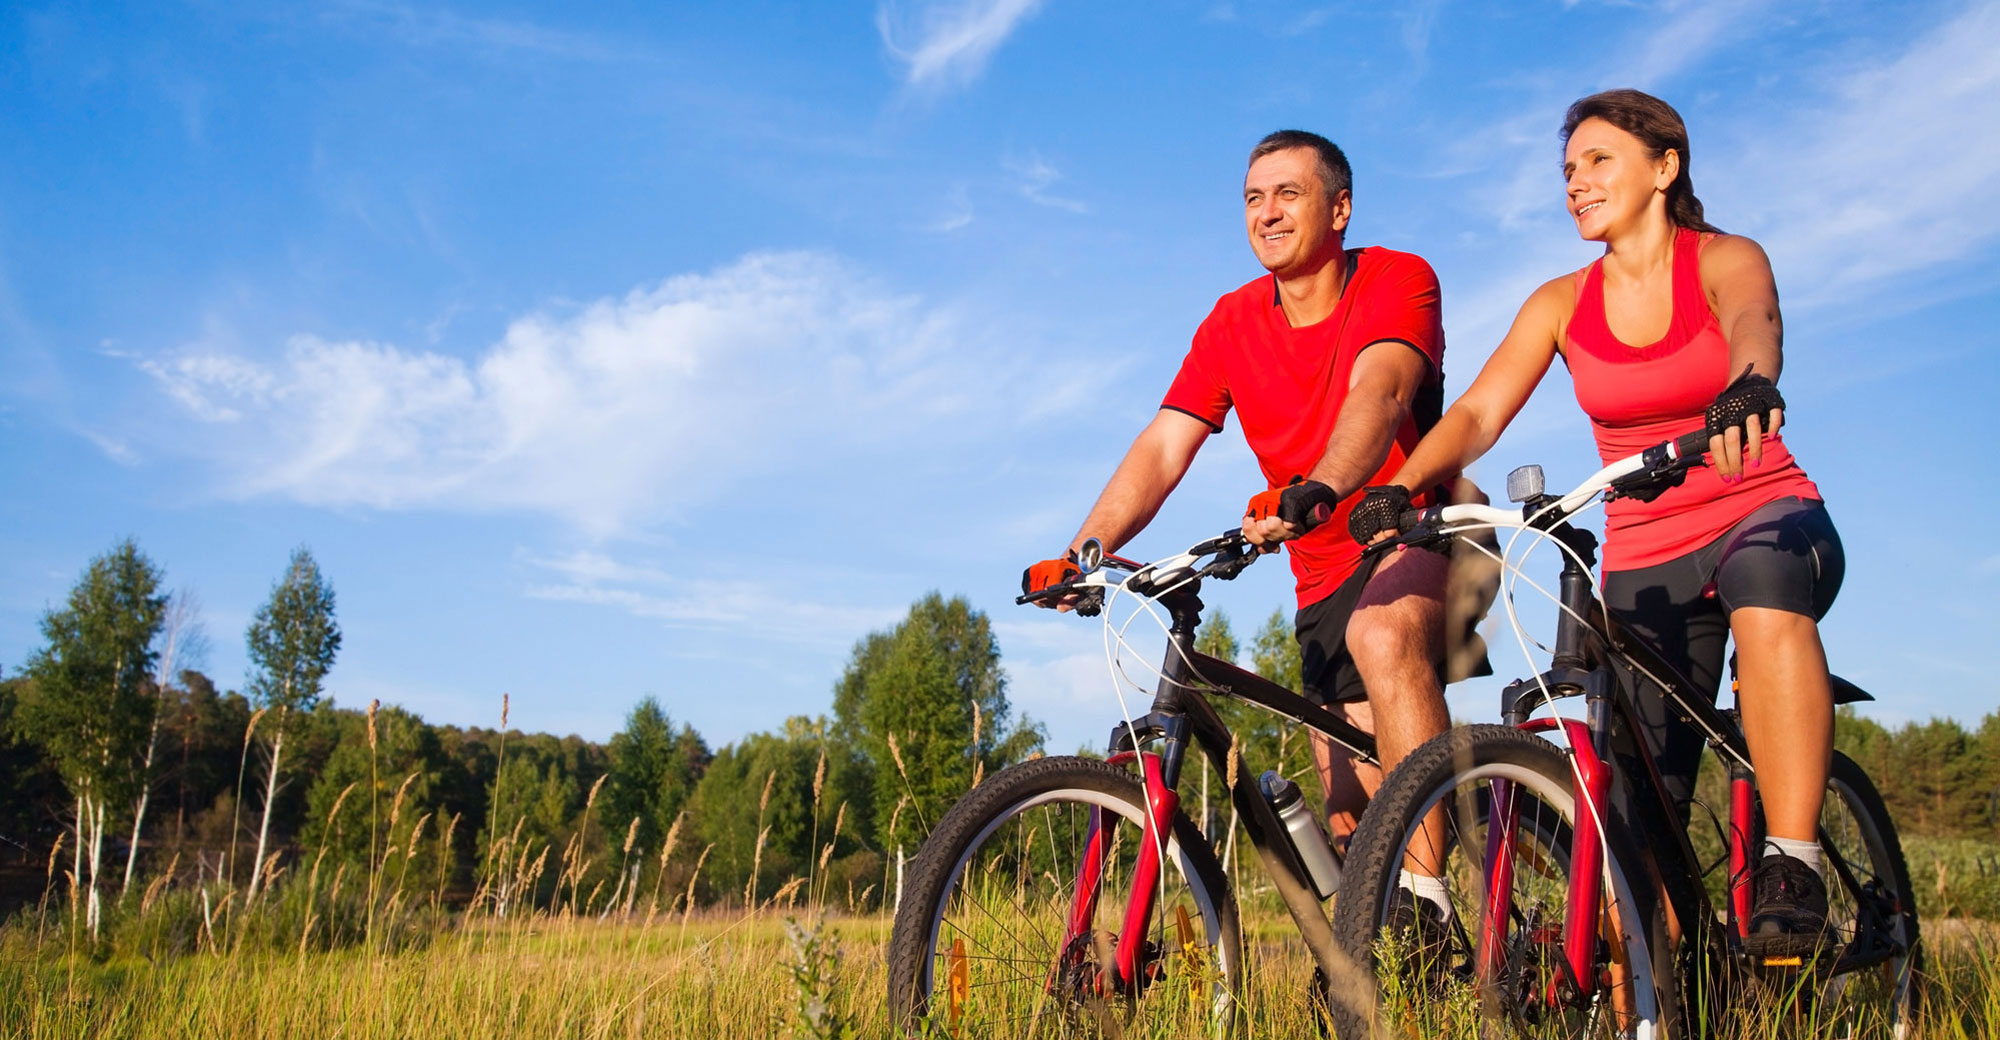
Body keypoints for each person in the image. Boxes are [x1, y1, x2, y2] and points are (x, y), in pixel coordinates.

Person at [1349, 89, 1840, 952]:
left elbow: (1756, 323)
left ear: (1664, 167)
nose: (1576, 183)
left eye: (1598, 161)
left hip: (1762, 506)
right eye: (1567, 170)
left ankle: (1792, 859)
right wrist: (1407, 485)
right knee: (1639, 819)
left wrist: (1749, 386)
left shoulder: (1723, 260)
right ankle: (1684, 981)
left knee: (1763, 594)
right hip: (1646, 554)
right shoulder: (1560, 301)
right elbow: (1477, 413)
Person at [1022, 129, 1461, 915]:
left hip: (1416, 533)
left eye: (1288, 193)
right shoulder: (1231, 323)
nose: (1267, 212)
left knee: (1383, 639)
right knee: (1352, 820)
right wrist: (1087, 550)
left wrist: (1321, 485)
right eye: (1253, 198)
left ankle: (1430, 904)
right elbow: (1163, 445)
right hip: (1320, 571)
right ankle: (1402, 943)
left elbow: (1382, 390)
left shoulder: (1398, 279)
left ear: (1341, 208)